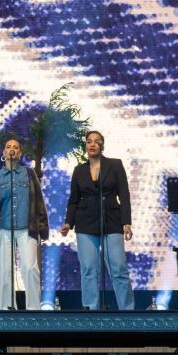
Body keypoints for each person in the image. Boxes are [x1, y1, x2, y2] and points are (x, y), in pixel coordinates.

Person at [60, 130, 135, 310]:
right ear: (86, 145)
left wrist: (127, 222)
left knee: (118, 269)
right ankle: (90, 310)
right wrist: (68, 223)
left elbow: (124, 195)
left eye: (96, 141)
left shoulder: (115, 165)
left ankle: (127, 311)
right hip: (85, 223)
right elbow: (74, 200)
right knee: (88, 270)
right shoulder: (79, 170)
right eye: (89, 141)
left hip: (111, 220)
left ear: (102, 145)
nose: (92, 144)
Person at [0, 139, 49, 310]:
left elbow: (38, 200)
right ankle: (7, 310)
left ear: (19, 153)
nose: (12, 149)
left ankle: (34, 310)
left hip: (27, 229)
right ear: (4, 153)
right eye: (8, 147)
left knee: (30, 269)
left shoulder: (29, 173)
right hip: (3, 229)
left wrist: (43, 227)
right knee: (5, 272)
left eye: (16, 147)